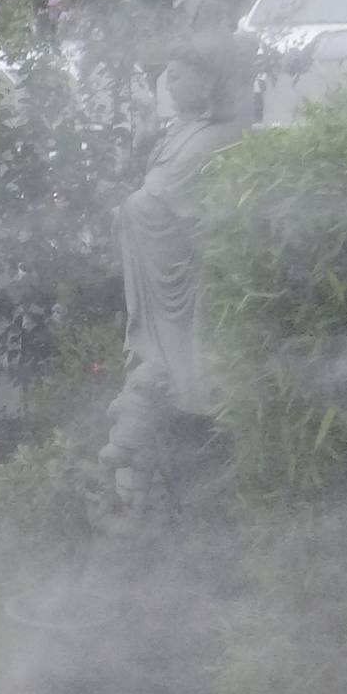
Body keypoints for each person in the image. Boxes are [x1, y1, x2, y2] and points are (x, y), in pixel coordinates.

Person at [116, 41, 248, 415]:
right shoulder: (180, 130)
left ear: (204, 81)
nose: (168, 86)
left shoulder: (214, 135)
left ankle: (184, 387)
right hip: (151, 265)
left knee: (189, 345)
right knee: (161, 347)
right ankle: (158, 374)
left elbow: (182, 201)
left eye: (176, 77)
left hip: (179, 264)